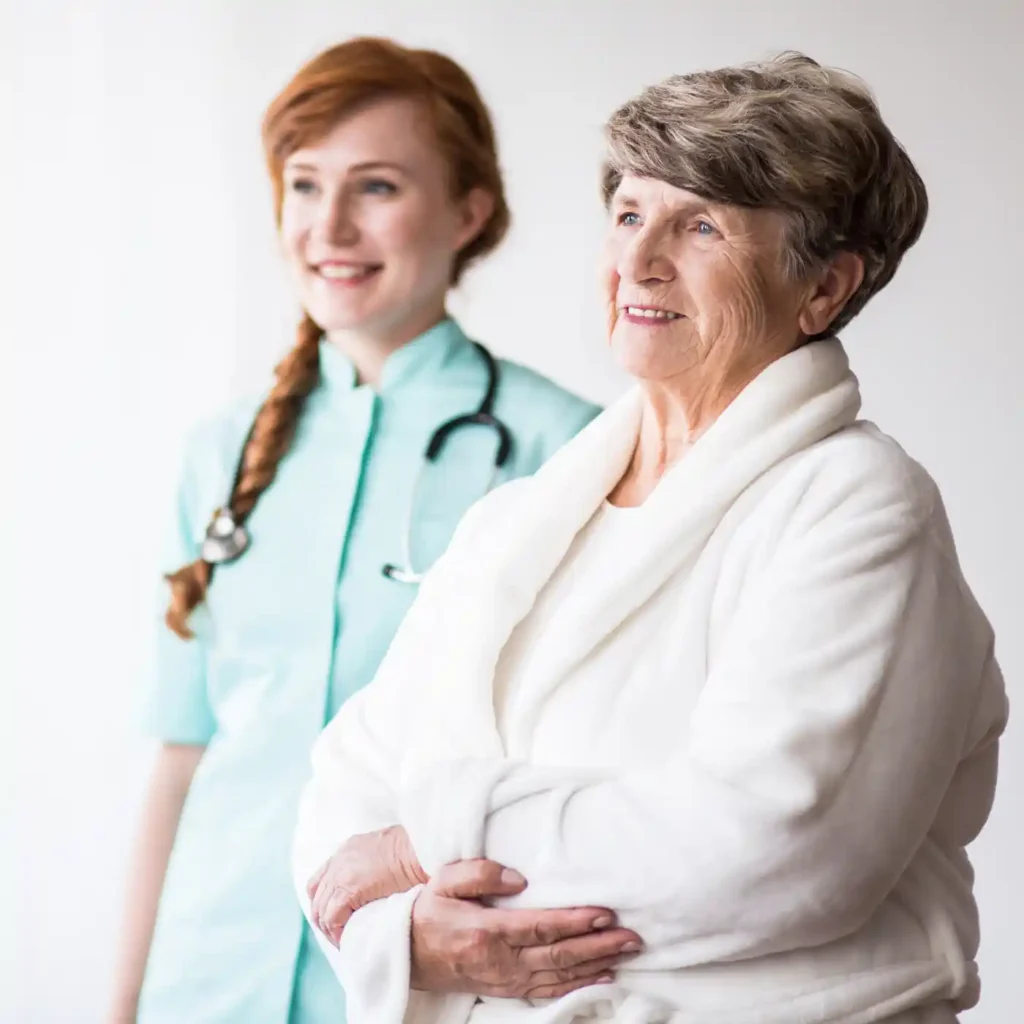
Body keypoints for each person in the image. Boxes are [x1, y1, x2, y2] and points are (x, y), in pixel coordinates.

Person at [292, 52, 1010, 1024]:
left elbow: (770, 852)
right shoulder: (518, 521)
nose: (638, 259)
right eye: (629, 213)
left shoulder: (856, 507)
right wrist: (406, 934)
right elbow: (346, 795)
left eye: (700, 224)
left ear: (823, 288)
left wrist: (431, 840)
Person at [106, 37, 614, 1024]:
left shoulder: (571, 452)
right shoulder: (223, 453)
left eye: (375, 186)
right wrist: (123, 1002)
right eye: (303, 185)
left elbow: (585, 765)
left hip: (426, 986)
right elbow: (182, 757)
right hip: (207, 980)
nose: (328, 225)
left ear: (471, 211)